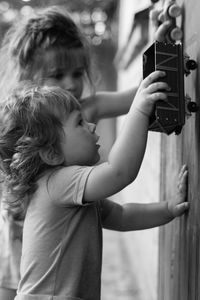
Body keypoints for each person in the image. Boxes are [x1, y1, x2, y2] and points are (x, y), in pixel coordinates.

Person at [0, 5, 172, 300]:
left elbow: (143, 94)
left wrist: (160, 46)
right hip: (20, 230)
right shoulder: (24, 121)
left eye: (78, 73)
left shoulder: (86, 106)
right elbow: (119, 171)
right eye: (57, 74)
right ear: (28, 76)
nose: (70, 84)